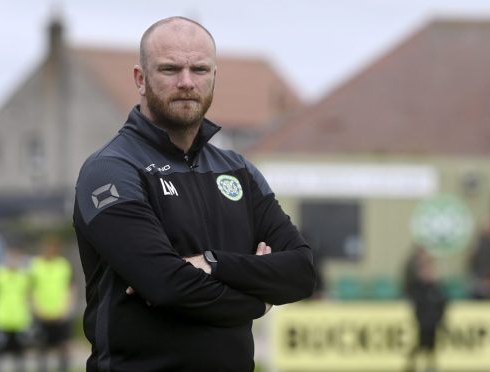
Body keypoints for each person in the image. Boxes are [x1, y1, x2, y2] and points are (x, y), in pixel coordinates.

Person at [73, 16, 316, 372]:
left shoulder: (238, 171)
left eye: (199, 69)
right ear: (140, 79)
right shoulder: (111, 170)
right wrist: (260, 300)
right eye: (171, 69)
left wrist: (213, 264)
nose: (186, 82)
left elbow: (302, 272)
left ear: (214, 77)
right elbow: (166, 285)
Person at [29, 235, 75, 372]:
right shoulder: (35, 265)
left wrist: (67, 309)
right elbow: (29, 290)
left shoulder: (63, 265)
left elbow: (71, 288)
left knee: (63, 346)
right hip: (42, 314)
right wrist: (35, 309)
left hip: (60, 314)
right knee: (41, 347)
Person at [0, 247, 31, 372]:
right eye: (11, 258)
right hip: (1, 320)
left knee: (19, 354)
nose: (13, 261)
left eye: (16, 259)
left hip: (19, 320)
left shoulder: (25, 277)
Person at [405, 256, 447, 372]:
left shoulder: (437, 288)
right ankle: (412, 366)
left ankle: (430, 366)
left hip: (433, 322)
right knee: (420, 345)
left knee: (431, 347)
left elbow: (443, 303)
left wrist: (440, 319)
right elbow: (416, 304)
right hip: (422, 322)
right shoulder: (417, 288)